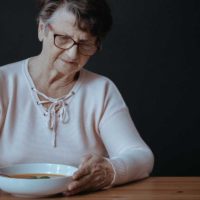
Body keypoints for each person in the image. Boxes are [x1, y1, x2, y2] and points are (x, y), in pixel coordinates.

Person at [0, 0, 154, 196]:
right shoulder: (4, 83)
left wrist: (109, 170)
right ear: (42, 29)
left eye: (85, 44)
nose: (73, 54)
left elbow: (142, 157)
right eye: (63, 38)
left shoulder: (101, 90)